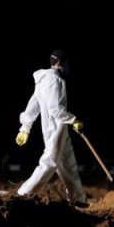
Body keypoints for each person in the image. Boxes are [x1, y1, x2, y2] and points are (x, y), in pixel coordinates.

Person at [15, 50, 86, 205]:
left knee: (68, 165)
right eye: (67, 63)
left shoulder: (45, 80)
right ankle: (22, 195)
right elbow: (55, 110)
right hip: (55, 129)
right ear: (59, 63)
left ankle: (78, 199)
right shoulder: (53, 80)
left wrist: (25, 127)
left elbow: (33, 104)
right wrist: (73, 120)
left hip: (61, 128)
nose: (69, 66)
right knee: (49, 163)